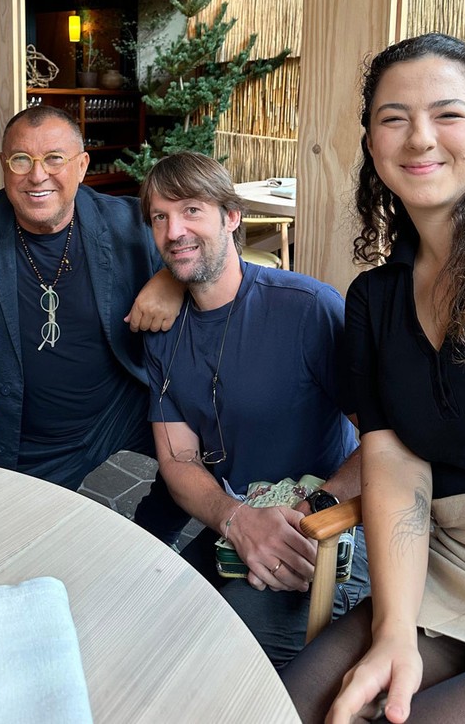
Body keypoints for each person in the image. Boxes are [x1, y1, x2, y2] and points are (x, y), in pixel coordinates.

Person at [282, 32, 465, 723]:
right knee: (291, 707)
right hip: (445, 567)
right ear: (373, 144)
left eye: (447, 114)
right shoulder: (376, 299)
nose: (420, 138)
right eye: (393, 118)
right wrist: (395, 629)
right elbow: (396, 464)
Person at [138, 152, 369, 669]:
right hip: (241, 523)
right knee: (151, 619)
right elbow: (178, 460)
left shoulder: (308, 309)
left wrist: (312, 512)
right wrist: (237, 520)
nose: (175, 231)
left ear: (232, 216)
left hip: (336, 530)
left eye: (191, 210)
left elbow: (384, 441)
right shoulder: (162, 332)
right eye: (160, 217)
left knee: (217, 656)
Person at [0, 104, 188, 543]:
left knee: (215, 444)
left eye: (54, 158)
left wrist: (173, 278)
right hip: (26, 433)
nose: (37, 175)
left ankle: (151, 539)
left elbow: (213, 252)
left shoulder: (127, 221)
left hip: (123, 405)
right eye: (21, 160)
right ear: (2, 166)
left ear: (82, 166)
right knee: (12, 547)